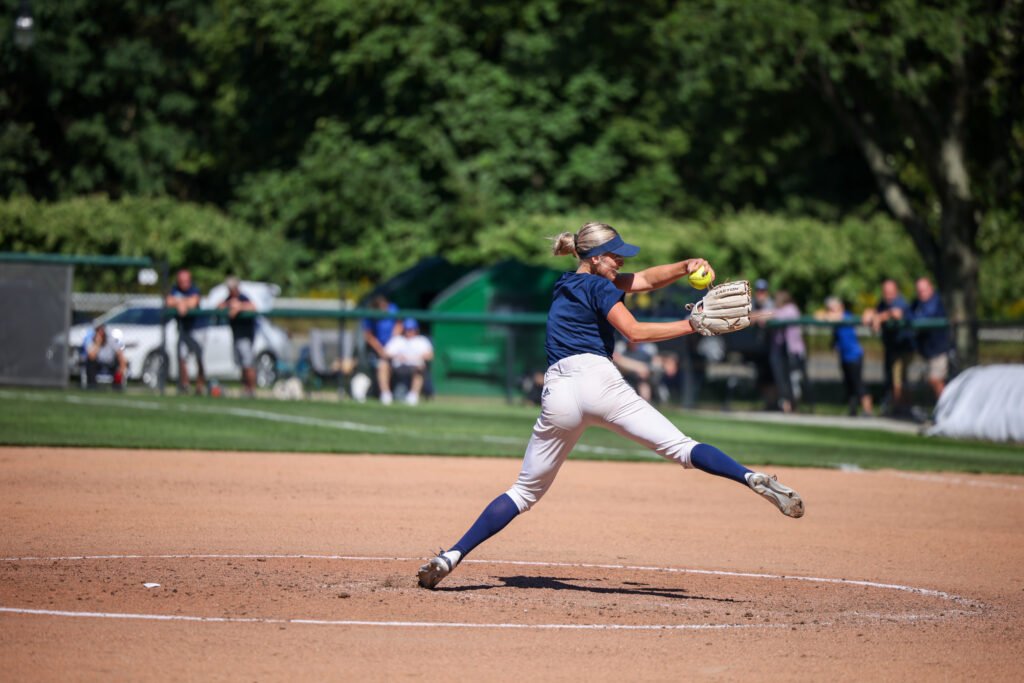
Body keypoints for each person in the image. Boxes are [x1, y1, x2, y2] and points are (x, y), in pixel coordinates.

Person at [417, 222, 805, 590]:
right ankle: (748, 477)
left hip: (559, 393)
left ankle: (451, 556)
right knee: (681, 447)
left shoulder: (565, 284)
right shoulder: (602, 289)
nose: (620, 261)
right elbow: (634, 332)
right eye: (614, 255)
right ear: (595, 258)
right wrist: (692, 325)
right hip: (600, 383)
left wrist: (686, 266)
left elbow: (648, 279)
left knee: (523, 493)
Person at [862, 279, 914, 416]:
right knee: (894, 379)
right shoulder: (884, 303)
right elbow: (875, 312)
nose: (888, 295)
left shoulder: (900, 302)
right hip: (892, 348)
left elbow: (896, 313)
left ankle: (900, 410)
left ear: (896, 291)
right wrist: (870, 313)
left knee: (898, 380)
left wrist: (878, 317)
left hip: (904, 347)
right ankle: (900, 408)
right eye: (885, 292)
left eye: (891, 292)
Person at [818, 297, 873, 416]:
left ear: (841, 307)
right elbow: (819, 315)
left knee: (858, 383)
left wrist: (827, 316)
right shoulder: (835, 320)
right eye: (829, 308)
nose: (830, 310)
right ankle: (852, 410)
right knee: (849, 385)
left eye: (833, 308)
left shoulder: (846, 316)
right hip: (844, 356)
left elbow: (834, 317)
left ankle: (867, 410)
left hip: (854, 355)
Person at [909, 277, 951, 399]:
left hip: (938, 349)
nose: (922, 293)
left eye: (924, 290)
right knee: (927, 381)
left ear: (931, 288)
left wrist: (909, 317)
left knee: (935, 379)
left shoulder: (935, 302)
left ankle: (946, 407)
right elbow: (908, 314)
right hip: (925, 350)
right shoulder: (917, 303)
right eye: (919, 291)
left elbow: (923, 318)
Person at [166, 269, 206, 395]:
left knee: (199, 358)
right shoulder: (174, 289)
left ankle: (200, 385)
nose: (185, 283)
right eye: (182, 281)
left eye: (187, 280)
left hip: (198, 328)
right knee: (182, 357)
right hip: (183, 330)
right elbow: (168, 301)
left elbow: (194, 302)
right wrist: (182, 303)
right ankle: (185, 385)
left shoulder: (194, 289)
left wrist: (180, 303)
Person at [217, 276, 258, 398]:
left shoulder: (243, 297)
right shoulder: (229, 298)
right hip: (236, 335)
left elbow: (253, 307)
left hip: (245, 335)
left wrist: (239, 307)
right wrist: (229, 305)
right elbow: (219, 306)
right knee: (241, 364)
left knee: (248, 363)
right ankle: (245, 388)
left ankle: (251, 389)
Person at [769, 290, 808, 413]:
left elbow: (776, 316)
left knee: (794, 380)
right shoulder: (779, 309)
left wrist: (761, 315)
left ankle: (795, 405)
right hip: (781, 351)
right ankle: (787, 406)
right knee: (782, 380)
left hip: (793, 352)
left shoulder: (791, 309)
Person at [362, 295, 402, 405]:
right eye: (382, 307)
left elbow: (399, 325)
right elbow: (368, 335)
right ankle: (386, 394)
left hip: (395, 346)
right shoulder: (370, 315)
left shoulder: (393, 309)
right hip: (379, 350)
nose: (385, 309)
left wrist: (392, 343)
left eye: (386, 306)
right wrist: (381, 350)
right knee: (383, 365)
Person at [383, 318, 434, 405]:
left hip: (414, 366)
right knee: (382, 365)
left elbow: (430, 356)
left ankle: (413, 396)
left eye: (411, 329)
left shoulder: (422, 340)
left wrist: (415, 357)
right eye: (406, 329)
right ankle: (386, 395)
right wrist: (397, 356)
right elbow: (385, 353)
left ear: (416, 330)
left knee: (420, 367)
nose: (408, 332)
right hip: (398, 366)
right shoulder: (397, 340)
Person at [751, 278, 777, 409]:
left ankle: (773, 404)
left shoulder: (771, 303)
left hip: (772, 346)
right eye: (758, 291)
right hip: (757, 347)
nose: (760, 293)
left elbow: (773, 313)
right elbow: (746, 315)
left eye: (763, 291)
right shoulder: (753, 303)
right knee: (762, 377)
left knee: (772, 376)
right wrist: (759, 316)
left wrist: (760, 316)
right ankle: (768, 404)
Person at [84, 324, 127, 389]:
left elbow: (119, 353)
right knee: (90, 362)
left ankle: (117, 385)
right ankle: (92, 385)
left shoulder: (110, 340)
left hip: (110, 362)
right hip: (98, 363)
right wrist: (98, 343)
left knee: (118, 364)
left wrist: (122, 366)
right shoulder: (91, 340)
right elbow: (91, 356)